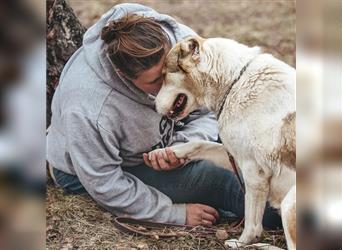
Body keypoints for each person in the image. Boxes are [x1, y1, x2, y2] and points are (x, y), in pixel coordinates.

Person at [47, 3, 281, 228]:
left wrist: (184, 146)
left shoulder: (182, 46)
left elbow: (213, 110)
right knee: (238, 188)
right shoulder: (88, 107)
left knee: (259, 150)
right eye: (157, 81)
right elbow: (105, 183)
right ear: (123, 74)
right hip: (102, 169)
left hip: (174, 142)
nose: (170, 84)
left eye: (171, 73)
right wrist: (173, 213)